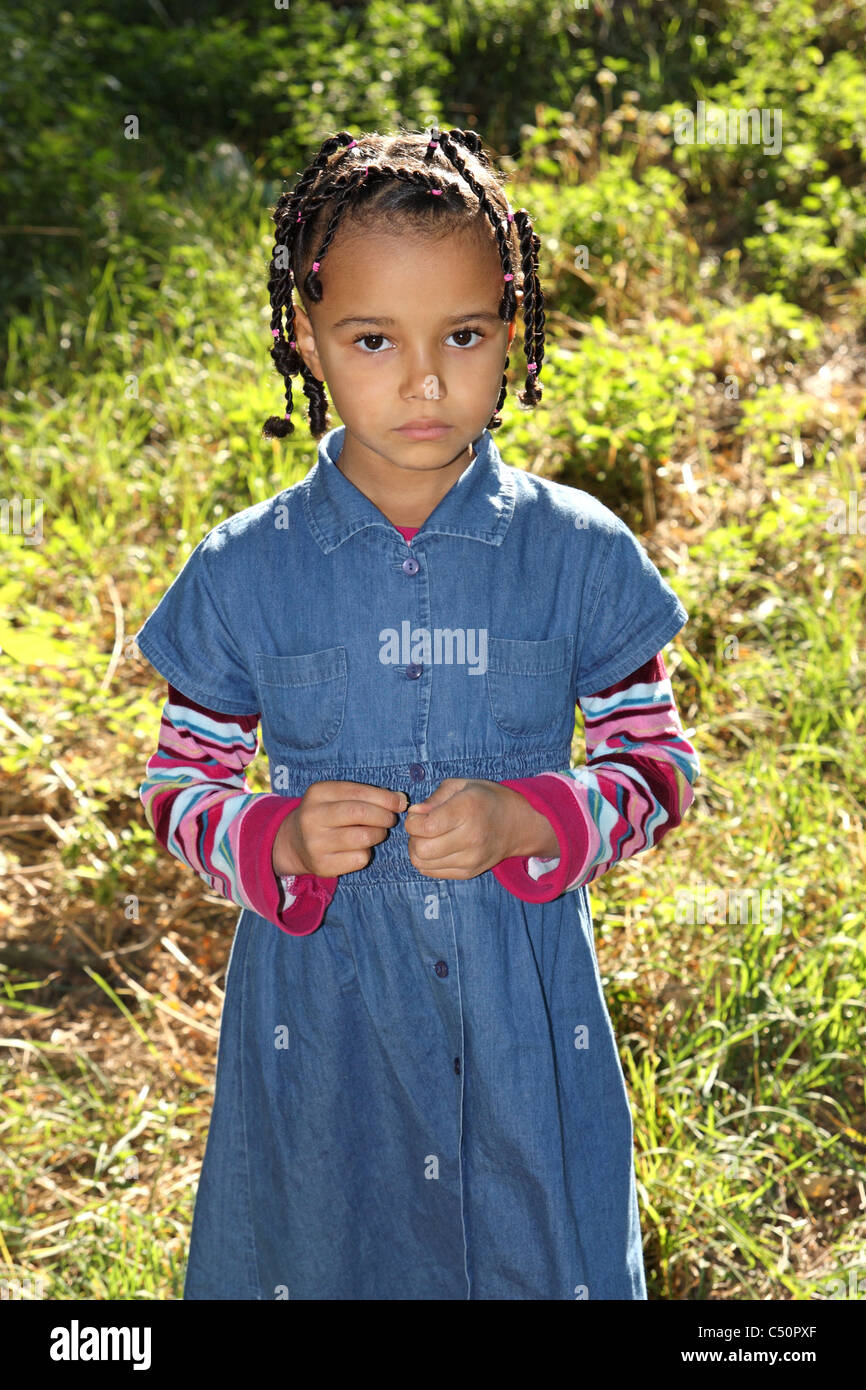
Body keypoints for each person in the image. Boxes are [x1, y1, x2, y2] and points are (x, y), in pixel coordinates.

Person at [135, 125, 701, 1300]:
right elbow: (175, 783)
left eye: (462, 335)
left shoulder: (577, 554)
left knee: (525, 1250)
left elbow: (656, 769)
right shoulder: (246, 570)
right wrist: (269, 836)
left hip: (518, 1015)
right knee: (324, 1246)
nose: (427, 381)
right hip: (321, 1021)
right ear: (305, 334)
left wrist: (535, 816)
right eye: (372, 340)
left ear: (511, 322)